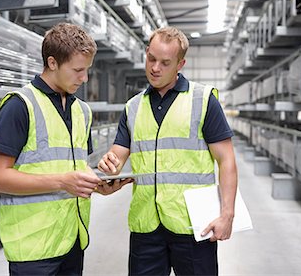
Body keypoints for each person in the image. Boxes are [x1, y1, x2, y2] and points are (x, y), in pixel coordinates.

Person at [0, 22, 129, 276]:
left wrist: (98, 184)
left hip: (72, 238)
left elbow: (73, 166)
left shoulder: (81, 111)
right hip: (34, 247)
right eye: (77, 70)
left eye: (87, 70)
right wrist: (63, 182)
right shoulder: (20, 106)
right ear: (52, 63)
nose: (84, 78)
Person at [97, 26, 238, 276]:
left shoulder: (203, 100)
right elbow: (117, 156)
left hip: (194, 224)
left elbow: (226, 160)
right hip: (146, 225)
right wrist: (109, 167)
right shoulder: (133, 107)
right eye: (151, 58)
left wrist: (227, 215)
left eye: (165, 62)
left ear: (180, 64)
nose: (155, 68)